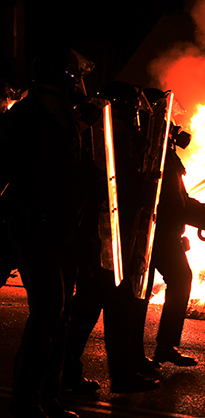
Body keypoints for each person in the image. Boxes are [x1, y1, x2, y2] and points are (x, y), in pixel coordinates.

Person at [1, 46, 93, 418]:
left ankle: (48, 395)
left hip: (62, 226)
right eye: (73, 77)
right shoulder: (25, 117)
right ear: (61, 80)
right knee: (48, 308)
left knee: (62, 311)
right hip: (32, 223)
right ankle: (26, 401)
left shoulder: (65, 115)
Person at [62, 81, 160, 394]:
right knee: (114, 306)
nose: (136, 112)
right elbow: (113, 187)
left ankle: (66, 371)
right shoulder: (108, 136)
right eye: (132, 107)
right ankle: (120, 375)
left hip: (107, 238)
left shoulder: (115, 134)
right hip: (104, 237)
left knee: (88, 308)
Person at [130, 88, 205, 368]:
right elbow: (164, 200)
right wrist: (194, 214)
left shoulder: (164, 152)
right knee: (139, 292)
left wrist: (200, 211)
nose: (176, 127)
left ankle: (163, 347)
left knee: (178, 280)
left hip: (165, 233)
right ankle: (136, 355)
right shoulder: (148, 150)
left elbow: (175, 197)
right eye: (169, 120)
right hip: (150, 234)